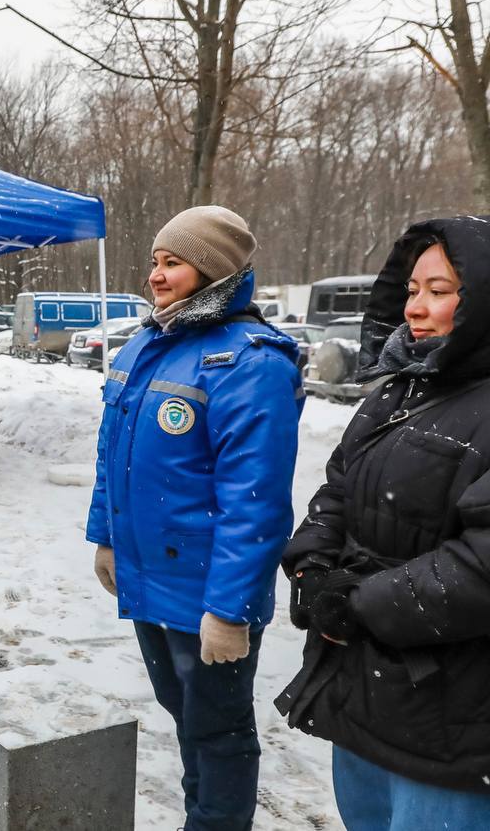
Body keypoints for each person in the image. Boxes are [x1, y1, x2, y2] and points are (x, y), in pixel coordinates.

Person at [86, 206, 303, 831]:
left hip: (208, 590)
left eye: (172, 262)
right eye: (155, 261)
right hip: (149, 575)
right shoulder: (149, 344)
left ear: (211, 271)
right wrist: (105, 536)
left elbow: (255, 501)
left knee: (220, 732)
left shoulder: (251, 363)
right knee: (184, 712)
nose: (156, 275)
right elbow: (113, 454)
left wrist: (230, 610)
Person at [277, 217, 490, 829]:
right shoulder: (399, 388)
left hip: (455, 719)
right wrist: (313, 566)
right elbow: (339, 485)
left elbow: (481, 565)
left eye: (441, 291)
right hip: (367, 688)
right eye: (412, 289)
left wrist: (362, 603)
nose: (417, 308)